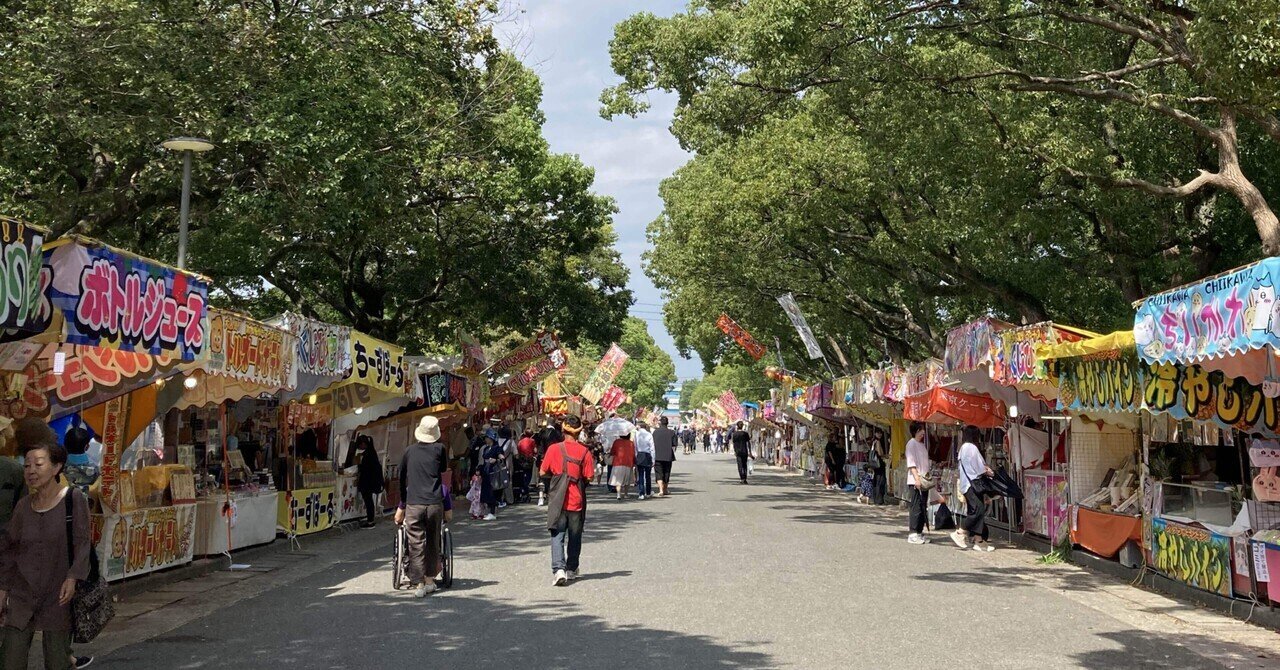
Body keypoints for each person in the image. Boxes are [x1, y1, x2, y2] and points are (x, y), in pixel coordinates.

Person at [0, 438, 91, 670]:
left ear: (56, 467)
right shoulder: (22, 506)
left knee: (57, 661)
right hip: (22, 593)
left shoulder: (73, 500)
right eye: (27, 465)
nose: (31, 471)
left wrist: (73, 577)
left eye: (38, 464)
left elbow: (82, 543)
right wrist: (2, 591)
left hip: (57, 593)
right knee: (10, 660)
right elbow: (10, 550)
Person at [393, 416, 448, 598]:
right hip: (434, 502)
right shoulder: (440, 449)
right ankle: (430, 579)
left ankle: (418, 583)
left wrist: (403, 501)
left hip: (414, 503)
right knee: (433, 540)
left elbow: (401, 478)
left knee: (415, 543)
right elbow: (442, 469)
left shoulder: (409, 451)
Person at [541, 415, 594, 586]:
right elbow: (589, 476)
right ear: (579, 432)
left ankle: (558, 570)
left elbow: (542, 472)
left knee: (557, 534)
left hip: (558, 499)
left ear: (563, 430)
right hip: (576, 500)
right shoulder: (585, 451)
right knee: (575, 535)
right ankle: (571, 569)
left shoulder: (554, 449)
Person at [953, 425, 995, 552]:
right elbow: (979, 467)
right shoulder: (971, 448)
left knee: (976, 510)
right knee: (978, 510)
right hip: (973, 484)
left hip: (967, 484)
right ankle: (960, 532)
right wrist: (988, 471)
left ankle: (979, 540)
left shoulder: (962, 448)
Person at [905, 423, 931, 545]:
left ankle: (919, 532)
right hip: (916, 480)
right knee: (916, 506)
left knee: (922, 506)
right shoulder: (911, 444)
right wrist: (916, 479)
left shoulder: (921, 445)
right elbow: (911, 463)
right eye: (921, 430)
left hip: (924, 480)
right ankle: (913, 533)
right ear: (915, 431)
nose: (923, 433)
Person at [355, 435, 384, 528]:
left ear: (363, 444)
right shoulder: (371, 452)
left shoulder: (369, 454)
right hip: (371, 481)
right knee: (369, 500)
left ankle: (370, 521)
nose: (359, 448)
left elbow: (366, 468)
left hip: (368, 482)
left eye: (360, 445)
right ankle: (370, 518)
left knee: (368, 501)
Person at [479, 434, 507, 520]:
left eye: (487, 438)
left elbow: (502, 457)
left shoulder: (497, 448)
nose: (486, 439)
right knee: (486, 492)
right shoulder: (486, 448)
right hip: (486, 471)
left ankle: (492, 511)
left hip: (493, 472)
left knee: (492, 492)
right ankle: (489, 511)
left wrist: (497, 460)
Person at [651, 417, 678, 497]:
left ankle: (660, 490)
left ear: (660, 423)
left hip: (657, 455)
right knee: (666, 472)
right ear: (667, 423)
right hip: (668, 455)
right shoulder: (672, 432)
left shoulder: (655, 432)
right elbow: (674, 444)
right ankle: (665, 489)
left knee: (658, 473)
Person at [608, 434, 636, 500]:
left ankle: (618, 494)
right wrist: (634, 462)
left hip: (618, 462)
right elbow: (633, 453)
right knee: (627, 480)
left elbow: (612, 452)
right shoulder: (631, 443)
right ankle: (626, 494)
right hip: (628, 462)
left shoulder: (617, 442)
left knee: (618, 480)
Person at [633, 422, 655, 500]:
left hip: (639, 454)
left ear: (639, 426)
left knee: (640, 475)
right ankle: (648, 492)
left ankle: (641, 493)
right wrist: (653, 459)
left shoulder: (636, 434)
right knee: (648, 475)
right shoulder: (649, 434)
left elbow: (635, 446)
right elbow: (652, 448)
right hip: (647, 454)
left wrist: (635, 456)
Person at [869, 430, 888, 505]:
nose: (880, 434)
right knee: (880, 481)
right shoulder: (878, 442)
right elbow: (880, 453)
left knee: (876, 481)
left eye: (881, 433)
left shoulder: (873, 442)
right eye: (878, 432)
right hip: (879, 464)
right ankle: (879, 499)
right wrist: (885, 455)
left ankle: (876, 498)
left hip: (875, 465)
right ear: (875, 433)